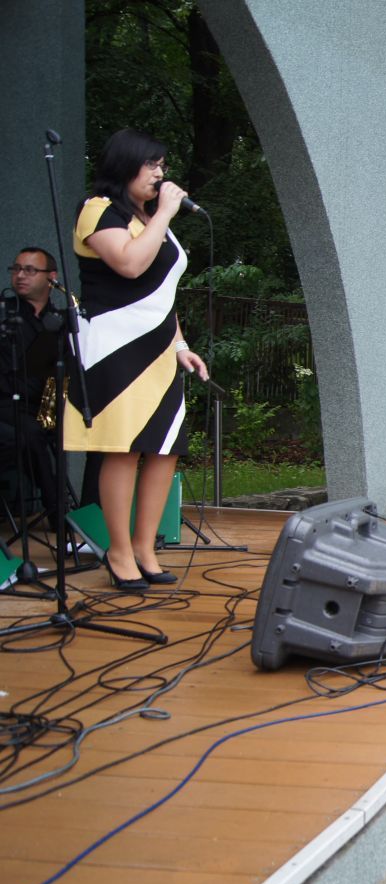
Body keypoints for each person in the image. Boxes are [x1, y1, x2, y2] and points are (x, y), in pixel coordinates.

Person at [64, 130, 209, 590]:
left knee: (164, 448)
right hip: (116, 348)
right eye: (151, 165)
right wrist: (165, 212)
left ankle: (146, 547)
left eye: (163, 166)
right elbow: (129, 265)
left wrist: (183, 346)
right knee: (124, 449)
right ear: (126, 165)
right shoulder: (97, 211)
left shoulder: (149, 217)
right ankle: (119, 550)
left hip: (160, 347)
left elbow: (161, 294)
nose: (160, 174)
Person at [3, 247, 65, 525]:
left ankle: (93, 512)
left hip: (46, 403)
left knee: (100, 434)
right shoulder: (4, 313)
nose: (20, 276)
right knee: (32, 434)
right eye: (16, 269)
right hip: (6, 403)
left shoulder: (61, 319)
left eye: (29, 270)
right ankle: (58, 514)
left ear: (51, 277)